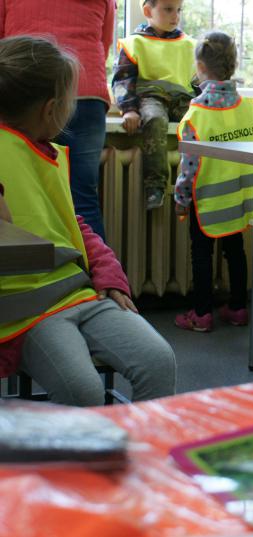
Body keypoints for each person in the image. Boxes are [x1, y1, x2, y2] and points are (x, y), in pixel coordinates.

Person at [0, 36, 176, 406]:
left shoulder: (47, 153)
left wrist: (109, 272)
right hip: (28, 311)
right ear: (52, 110)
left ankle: (141, 444)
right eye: (70, 99)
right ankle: (85, 446)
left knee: (159, 361)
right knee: (82, 391)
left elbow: (72, 224)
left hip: (79, 291)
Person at [0, 0, 116, 240]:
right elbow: (105, 41)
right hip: (84, 88)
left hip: (18, 87)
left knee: (19, 192)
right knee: (82, 199)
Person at [173, 32, 253, 332]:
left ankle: (202, 313)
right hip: (239, 200)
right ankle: (238, 308)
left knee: (202, 254)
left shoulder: (196, 115)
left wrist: (181, 200)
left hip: (206, 200)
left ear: (199, 66)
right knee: (236, 252)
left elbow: (189, 167)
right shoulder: (249, 107)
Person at [112, 0, 196, 210]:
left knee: (201, 122)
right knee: (155, 120)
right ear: (148, 11)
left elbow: (198, 80)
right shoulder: (134, 43)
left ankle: (197, 183)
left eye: (178, 10)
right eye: (168, 9)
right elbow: (123, 80)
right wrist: (129, 109)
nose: (175, 16)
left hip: (182, 98)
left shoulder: (189, 44)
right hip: (152, 97)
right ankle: (155, 186)